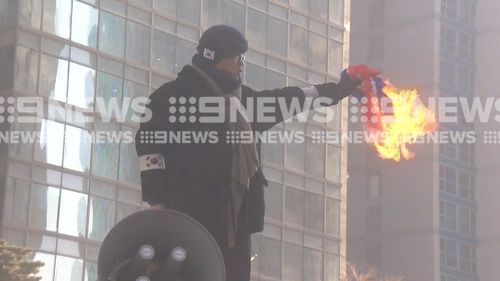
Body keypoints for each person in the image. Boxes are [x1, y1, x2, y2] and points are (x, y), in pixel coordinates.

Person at [135, 25, 363, 281]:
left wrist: (336, 90)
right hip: (187, 221)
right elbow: (148, 148)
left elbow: (288, 100)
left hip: (234, 226)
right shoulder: (169, 99)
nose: (242, 65)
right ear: (215, 56)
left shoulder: (243, 103)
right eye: (237, 57)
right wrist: (157, 204)